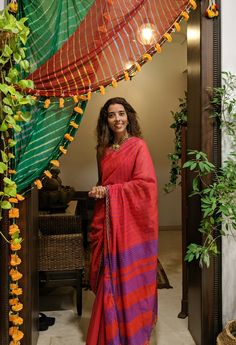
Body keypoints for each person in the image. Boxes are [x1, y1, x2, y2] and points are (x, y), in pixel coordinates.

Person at [86, 97, 158, 345]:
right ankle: (109, 330)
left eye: (121, 114)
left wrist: (109, 192)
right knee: (106, 273)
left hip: (127, 226)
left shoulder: (138, 146)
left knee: (126, 274)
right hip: (106, 221)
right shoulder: (102, 150)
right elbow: (104, 182)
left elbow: (145, 186)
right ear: (105, 120)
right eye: (111, 115)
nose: (117, 119)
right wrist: (98, 190)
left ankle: (130, 330)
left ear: (129, 116)